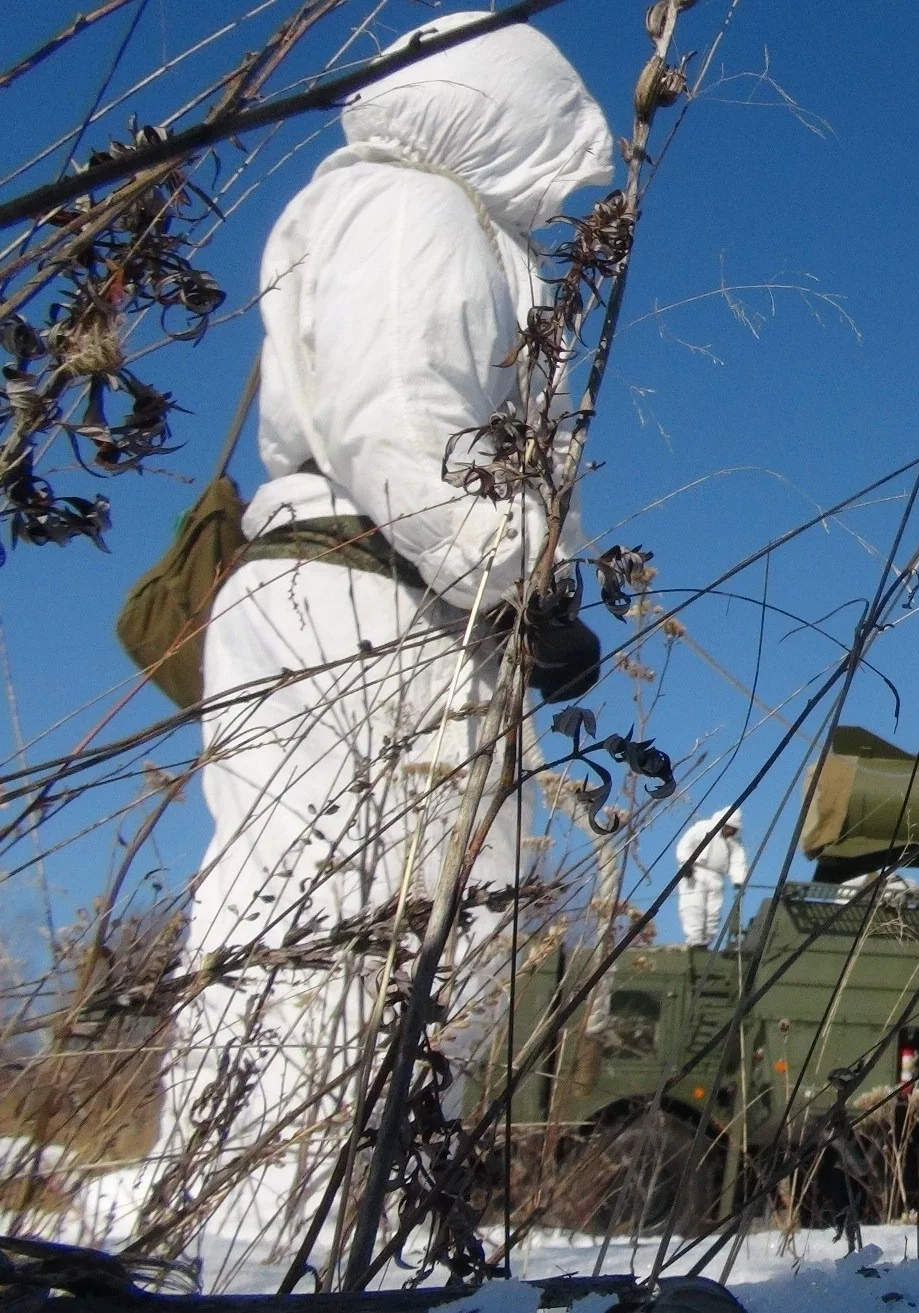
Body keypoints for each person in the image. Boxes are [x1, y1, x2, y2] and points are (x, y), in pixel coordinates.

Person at [86, 15, 616, 1252]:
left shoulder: (368, 205)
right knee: (393, 914)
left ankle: (271, 1203)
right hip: (383, 602)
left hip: (363, 587)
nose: (565, 178)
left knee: (308, 900)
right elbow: (403, 419)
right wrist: (523, 580)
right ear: (506, 107)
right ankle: (289, 1227)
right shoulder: (419, 213)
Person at [675, 815, 752, 948]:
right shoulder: (702, 828)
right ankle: (694, 938)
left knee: (713, 910)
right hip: (695, 872)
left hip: (717, 877)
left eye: (733, 829)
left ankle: (706, 940)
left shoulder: (734, 842)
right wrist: (685, 863)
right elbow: (685, 845)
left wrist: (739, 880)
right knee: (694, 906)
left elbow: (738, 861)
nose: (729, 832)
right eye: (728, 828)